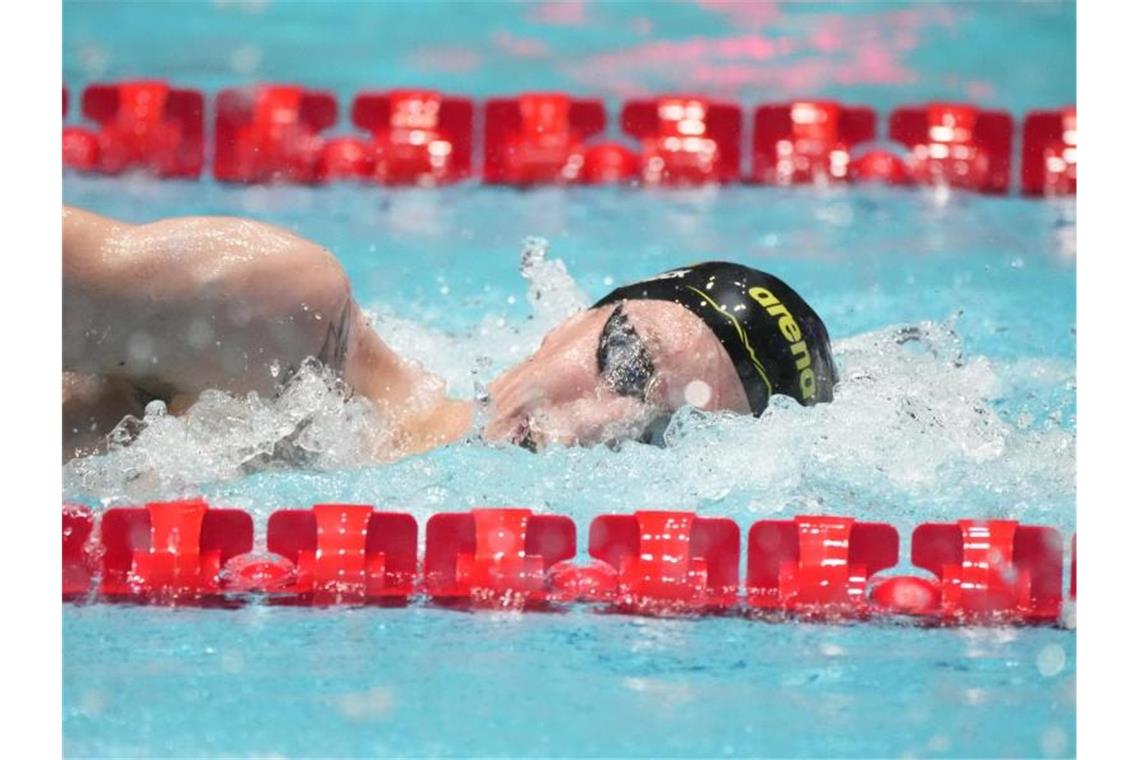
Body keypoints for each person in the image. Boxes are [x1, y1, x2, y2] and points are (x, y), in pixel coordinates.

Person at [62, 206, 837, 462]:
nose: (605, 422)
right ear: (574, 317)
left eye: (667, 432)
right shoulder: (286, 316)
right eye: (629, 361)